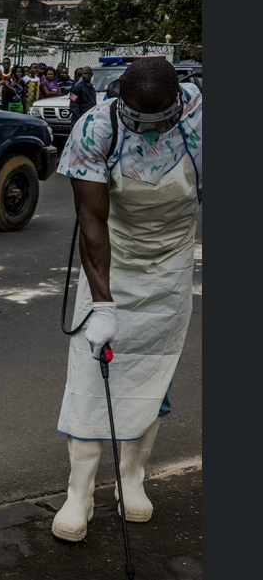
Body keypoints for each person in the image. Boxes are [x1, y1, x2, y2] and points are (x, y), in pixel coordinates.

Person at [51, 58, 202, 543]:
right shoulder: (95, 129)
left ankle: (131, 477)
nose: (151, 132)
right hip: (113, 256)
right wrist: (103, 306)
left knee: (153, 373)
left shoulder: (202, 120)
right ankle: (79, 492)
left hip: (171, 261)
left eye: (161, 121)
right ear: (121, 103)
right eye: (140, 121)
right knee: (91, 374)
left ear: (177, 104)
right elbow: (91, 222)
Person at [69, 66, 97, 131]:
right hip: (79, 119)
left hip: (90, 117)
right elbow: (73, 104)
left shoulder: (91, 87)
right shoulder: (76, 88)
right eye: (85, 73)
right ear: (82, 74)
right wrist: (80, 117)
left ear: (92, 74)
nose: (87, 75)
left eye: (89, 74)